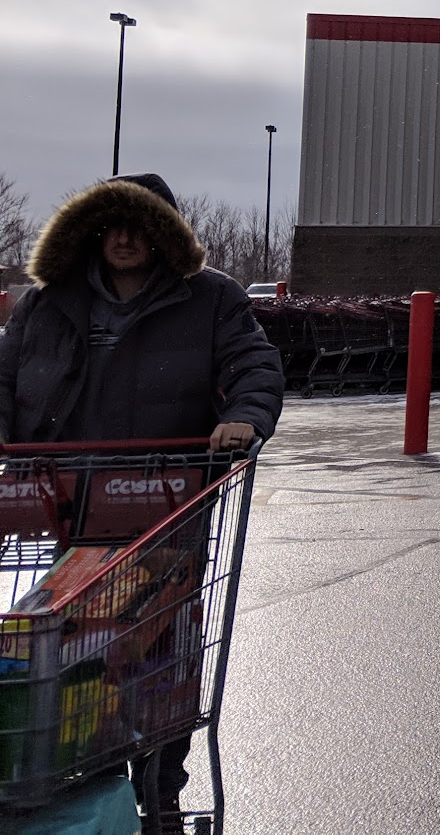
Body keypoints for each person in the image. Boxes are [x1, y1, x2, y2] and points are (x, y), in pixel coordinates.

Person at [0, 172, 284, 831]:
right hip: (65, 511)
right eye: (112, 226)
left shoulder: (210, 299)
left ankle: (160, 786)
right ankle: (80, 774)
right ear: (91, 232)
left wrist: (243, 417)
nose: (124, 238)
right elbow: (5, 377)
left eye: (140, 226)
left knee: (161, 656)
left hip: (166, 511)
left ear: (164, 235)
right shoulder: (48, 303)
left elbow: (254, 364)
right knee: (69, 651)